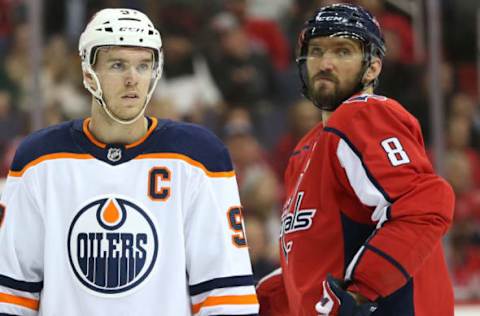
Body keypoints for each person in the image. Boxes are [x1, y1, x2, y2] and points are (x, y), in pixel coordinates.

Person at [0, 8, 259, 316]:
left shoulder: (199, 157)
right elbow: (12, 295)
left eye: (143, 65)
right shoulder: (39, 159)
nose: (132, 79)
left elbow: (226, 298)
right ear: (87, 73)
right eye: (118, 65)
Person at [256, 4, 454, 316]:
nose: (325, 63)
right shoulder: (306, 149)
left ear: (373, 67)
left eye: (343, 51)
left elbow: (425, 205)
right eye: (316, 51)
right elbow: (308, 271)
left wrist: (361, 294)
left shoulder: (364, 113)